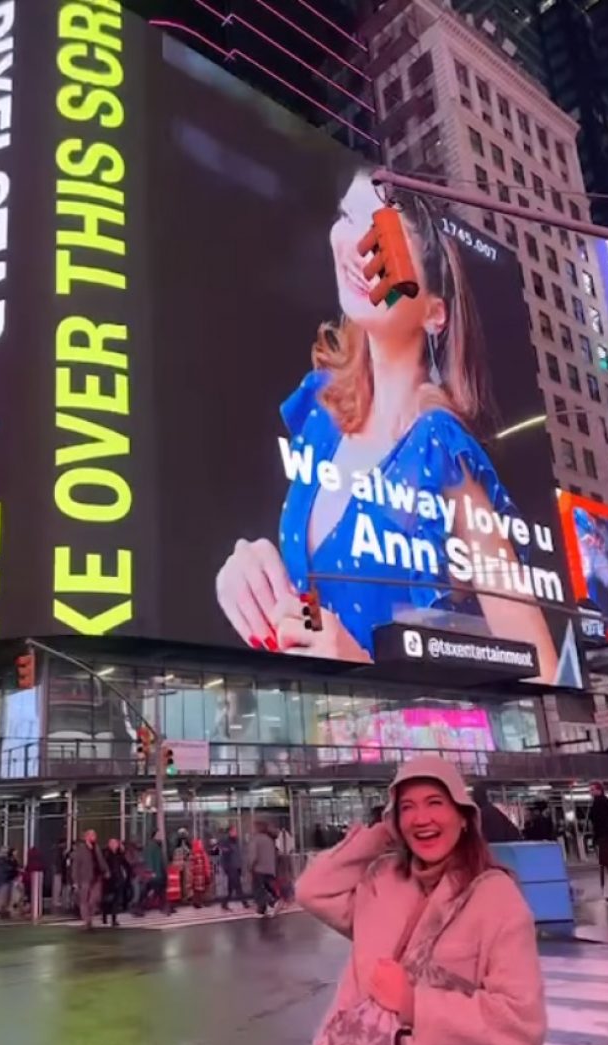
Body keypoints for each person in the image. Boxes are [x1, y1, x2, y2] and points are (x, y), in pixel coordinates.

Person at [216, 172, 568, 685]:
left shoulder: (442, 454)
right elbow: (320, 620)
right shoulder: (323, 411)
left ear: (435, 313)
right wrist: (256, 578)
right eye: (347, 217)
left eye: (384, 242)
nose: (359, 249)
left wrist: (365, 666)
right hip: (307, 731)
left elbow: (541, 673)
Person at [297, 755, 579, 1045]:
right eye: (408, 808)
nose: (422, 817)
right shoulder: (382, 880)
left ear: (463, 817)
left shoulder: (495, 896)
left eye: (435, 803)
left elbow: (522, 1025)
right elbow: (312, 889)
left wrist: (414, 1004)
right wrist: (380, 832)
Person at [71, 830, 106, 931]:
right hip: (84, 878)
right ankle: (87, 920)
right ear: (86, 837)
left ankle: (89, 917)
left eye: (94, 835)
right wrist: (75, 881)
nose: (94, 837)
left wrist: (106, 870)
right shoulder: (80, 849)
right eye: (92, 835)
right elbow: (75, 866)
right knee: (84, 900)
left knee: (94, 899)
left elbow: (101, 861)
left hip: (97, 877)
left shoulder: (97, 848)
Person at [249, 821, 278, 916]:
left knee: (258, 890)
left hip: (259, 869)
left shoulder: (256, 839)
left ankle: (270, 904)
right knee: (268, 888)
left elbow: (253, 856)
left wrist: (250, 867)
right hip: (270, 869)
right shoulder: (269, 839)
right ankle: (265, 908)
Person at [141, 829, 172, 915]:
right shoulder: (152, 846)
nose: (161, 836)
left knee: (158, 891)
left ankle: (164, 907)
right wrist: (151, 871)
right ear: (155, 836)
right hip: (155, 874)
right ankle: (141, 906)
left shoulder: (156, 846)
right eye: (159, 835)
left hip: (158, 873)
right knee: (155, 891)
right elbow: (149, 859)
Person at [218, 826, 248, 911]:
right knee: (238, 885)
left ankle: (224, 903)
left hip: (237, 866)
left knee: (231, 887)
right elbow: (224, 853)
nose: (236, 832)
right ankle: (244, 903)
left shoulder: (237, 841)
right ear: (229, 832)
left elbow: (239, 854)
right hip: (231, 867)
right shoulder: (226, 841)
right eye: (234, 831)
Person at [101, 839, 129, 927]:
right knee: (107, 899)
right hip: (109, 879)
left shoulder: (119, 854)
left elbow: (125, 863)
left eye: (116, 843)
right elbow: (103, 865)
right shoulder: (106, 854)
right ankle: (104, 916)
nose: (115, 845)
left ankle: (114, 919)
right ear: (109, 844)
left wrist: (122, 851)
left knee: (116, 900)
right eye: (113, 843)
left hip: (118, 878)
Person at [189, 839, 212, 909]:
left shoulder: (194, 854)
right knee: (202, 889)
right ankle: (202, 902)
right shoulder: (199, 854)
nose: (201, 845)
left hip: (198, 875)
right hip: (200, 874)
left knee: (198, 890)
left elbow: (192, 866)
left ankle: (198, 902)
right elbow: (202, 864)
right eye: (200, 844)